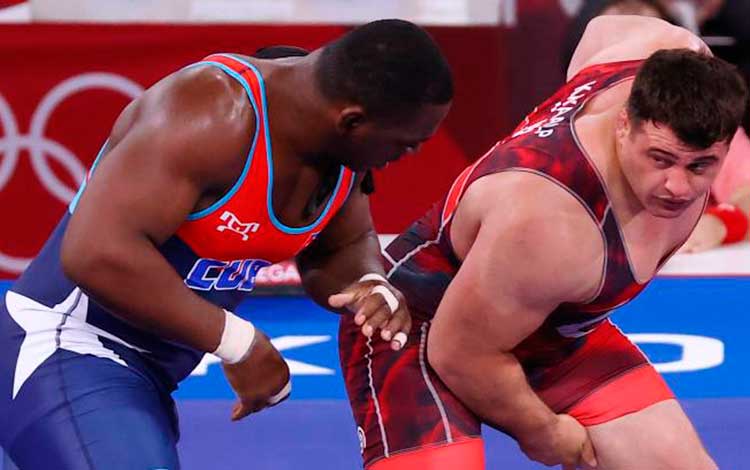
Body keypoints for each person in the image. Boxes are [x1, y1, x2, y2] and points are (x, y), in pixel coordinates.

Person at [0, 19, 453, 469]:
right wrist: (237, 342)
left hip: (147, 373)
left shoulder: (342, 148)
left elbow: (343, 245)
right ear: (351, 120)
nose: (409, 156)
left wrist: (369, 283)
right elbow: (96, 254)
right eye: (406, 144)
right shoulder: (210, 115)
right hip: (62, 344)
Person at [339, 15, 747, 470]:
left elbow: (601, 28)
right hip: (421, 326)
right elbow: (458, 351)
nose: (678, 187)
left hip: (545, 318)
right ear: (623, 124)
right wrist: (545, 431)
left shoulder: (664, 48)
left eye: (700, 166)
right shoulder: (551, 220)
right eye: (660, 158)